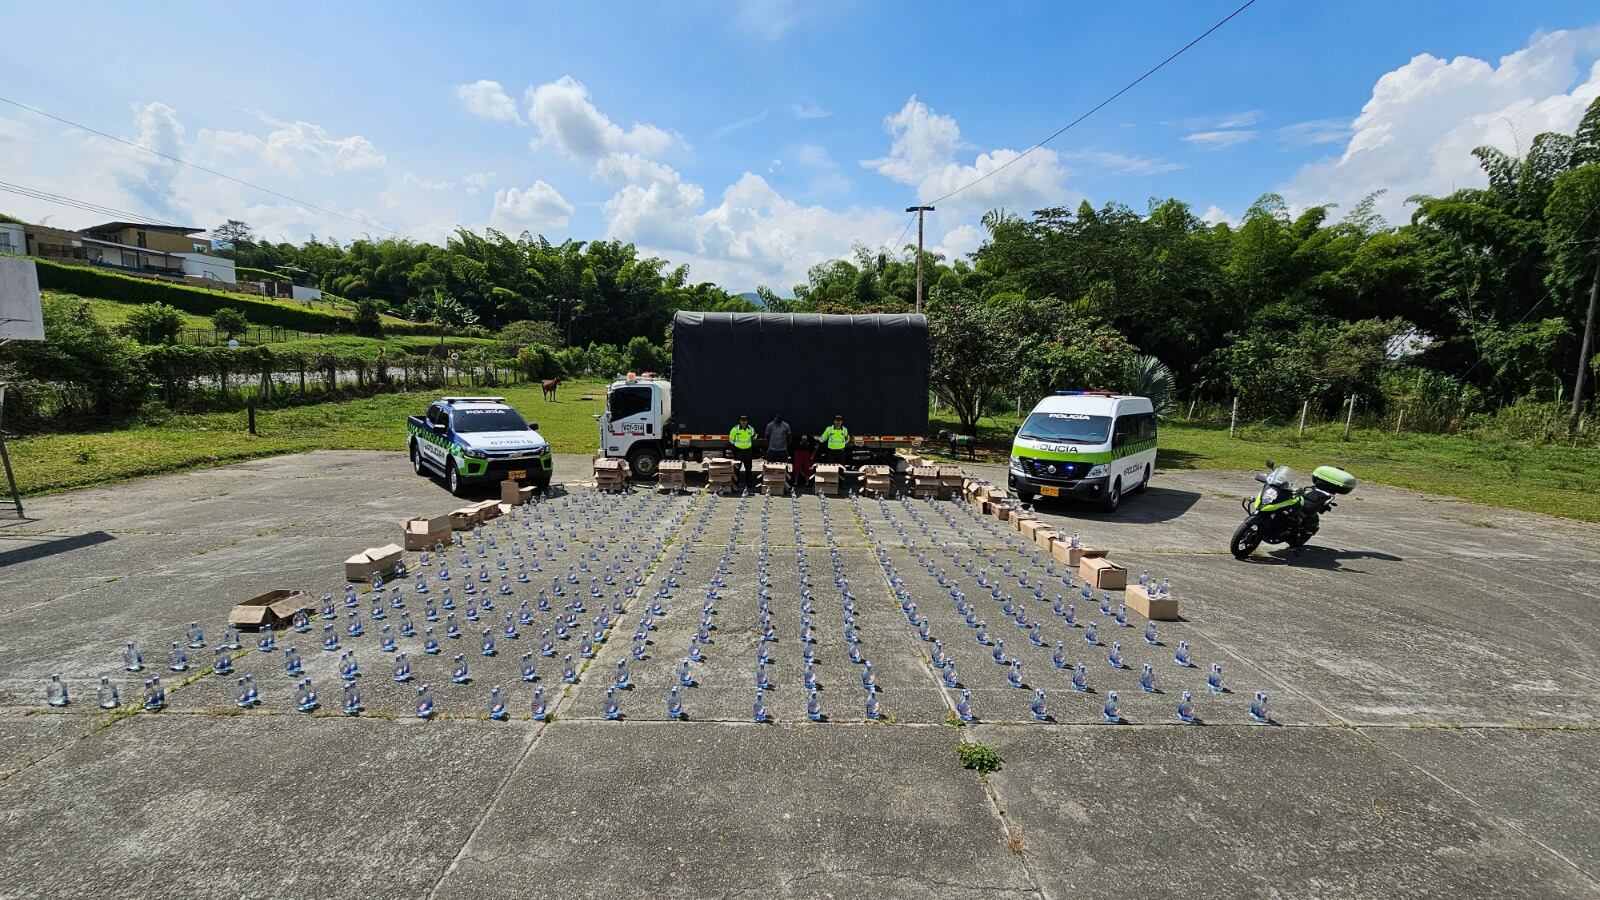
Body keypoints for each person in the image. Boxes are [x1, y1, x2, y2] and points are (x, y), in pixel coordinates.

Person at [728, 414, 757, 490]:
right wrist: (734, 448)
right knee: (737, 469)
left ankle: (749, 485)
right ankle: (736, 484)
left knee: (749, 469)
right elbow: (731, 440)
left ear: (747, 421)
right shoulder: (735, 429)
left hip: (748, 452)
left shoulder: (751, 429)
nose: (743, 422)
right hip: (738, 452)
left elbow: (754, 436)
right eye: (742, 421)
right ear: (740, 421)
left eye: (745, 421)